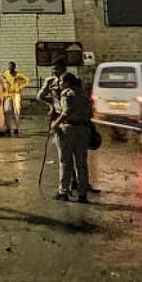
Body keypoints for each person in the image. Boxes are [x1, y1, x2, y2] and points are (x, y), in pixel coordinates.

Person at [52, 72, 93, 203]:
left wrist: (55, 124)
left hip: (69, 129)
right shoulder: (83, 93)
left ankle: (63, 191)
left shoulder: (67, 93)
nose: (59, 84)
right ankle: (82, 193)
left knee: (65, 161)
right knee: (81, 163)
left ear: (67, 83)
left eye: (61, 81)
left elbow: (66, 112)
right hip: (83, 129)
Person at [0, 61, 29, 137]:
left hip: (16, 94)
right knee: (7, 110)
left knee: (17, 111)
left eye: (11, 66)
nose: (10, 68)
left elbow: (27, 80)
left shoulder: (18, 75)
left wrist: (20, 87)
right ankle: (8, 127)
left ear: (14, 67)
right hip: (8, 94)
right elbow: (2, 81)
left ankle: (16, 128)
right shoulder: (5, 73)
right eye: (9, 66)